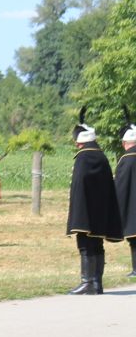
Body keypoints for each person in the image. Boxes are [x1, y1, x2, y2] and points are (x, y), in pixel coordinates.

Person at [66, 118, 122, 295]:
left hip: (85, 210)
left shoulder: (83, 157)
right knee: (97, 244)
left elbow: (78, 186)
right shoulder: (101, 156)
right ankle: (97, 282)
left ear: (80, 141)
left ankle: (87, 281)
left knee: (84, 244)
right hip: (101, 210)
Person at [117, 116, 136, 278]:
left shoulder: (126, 159)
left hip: (132, 207)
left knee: (134, 239)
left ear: (124, 143)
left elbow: (121, 186)